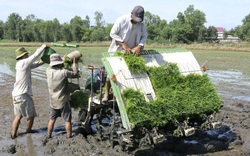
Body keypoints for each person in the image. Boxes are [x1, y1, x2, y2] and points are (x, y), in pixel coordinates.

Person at [103, 5, 148, 102]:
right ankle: (106, 93)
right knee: (111, 74)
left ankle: (125, 93)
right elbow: (112, 33)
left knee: (129, 74)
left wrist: (139, 46)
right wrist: (123, 44)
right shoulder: (122, 20)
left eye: (138, 19)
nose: (136, 21)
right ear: (132, 14)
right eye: (135, 18)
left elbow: (144, 36)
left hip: (132, 53)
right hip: (117, 51)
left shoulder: (141, 24)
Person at [11, 44, 48, 139]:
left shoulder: (20, 64)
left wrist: (44, 61)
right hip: (23, 95)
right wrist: (43, 46)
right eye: (26, 54)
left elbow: (35, 64)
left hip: (16, 95)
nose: (27, 55)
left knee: (18, 116)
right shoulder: (24, 62)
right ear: (23, 55)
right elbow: (35, 55)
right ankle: (28, 131)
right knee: (30, 115)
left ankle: (13, 135)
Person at [46, 53, 78, 138]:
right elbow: (75, 74)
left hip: (53, 100)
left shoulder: (48, 71)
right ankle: (69, 135)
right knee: (67, 120)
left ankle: (49, 135)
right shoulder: (64, 72)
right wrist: (74, 64)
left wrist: (63, 59)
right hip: (63, 100)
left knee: (52, 119)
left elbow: (54, 66)